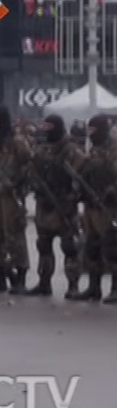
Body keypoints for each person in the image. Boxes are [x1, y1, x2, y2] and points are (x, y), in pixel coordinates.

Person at [26, 115, 85, 298]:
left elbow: (81, 178)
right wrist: (34, 185)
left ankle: (73, 285)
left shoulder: (71, 150)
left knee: (69, 247)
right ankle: (44, 283)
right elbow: (32, 171)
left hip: (64, 206)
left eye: (50, 125)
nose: (46, 128)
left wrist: (71, 199)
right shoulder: (42, 149)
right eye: (45, 125)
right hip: (44, 205)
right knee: (43, 244)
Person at [0, 105, 32, 293]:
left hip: (11, 195)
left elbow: (29, 165)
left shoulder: (17, 141)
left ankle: (20, 277)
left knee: (14, 235)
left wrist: (17, 183)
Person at [69, 115, 117, 302]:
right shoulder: (94, 150)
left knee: (112, 248)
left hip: (109, 207)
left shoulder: (113, 150)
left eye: (93, 130)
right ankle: (93, 287)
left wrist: (110, 192)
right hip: (90, 205)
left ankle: (115, 288)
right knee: (92, 246)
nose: (90, 134)